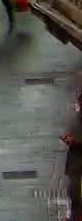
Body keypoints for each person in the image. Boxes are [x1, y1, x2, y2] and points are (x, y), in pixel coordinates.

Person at [63, 90, 82, 221]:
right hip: (75, 160)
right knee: (73, 191)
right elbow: (68, 133)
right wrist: (67, 139)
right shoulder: (74, 118)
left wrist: (76, 142)